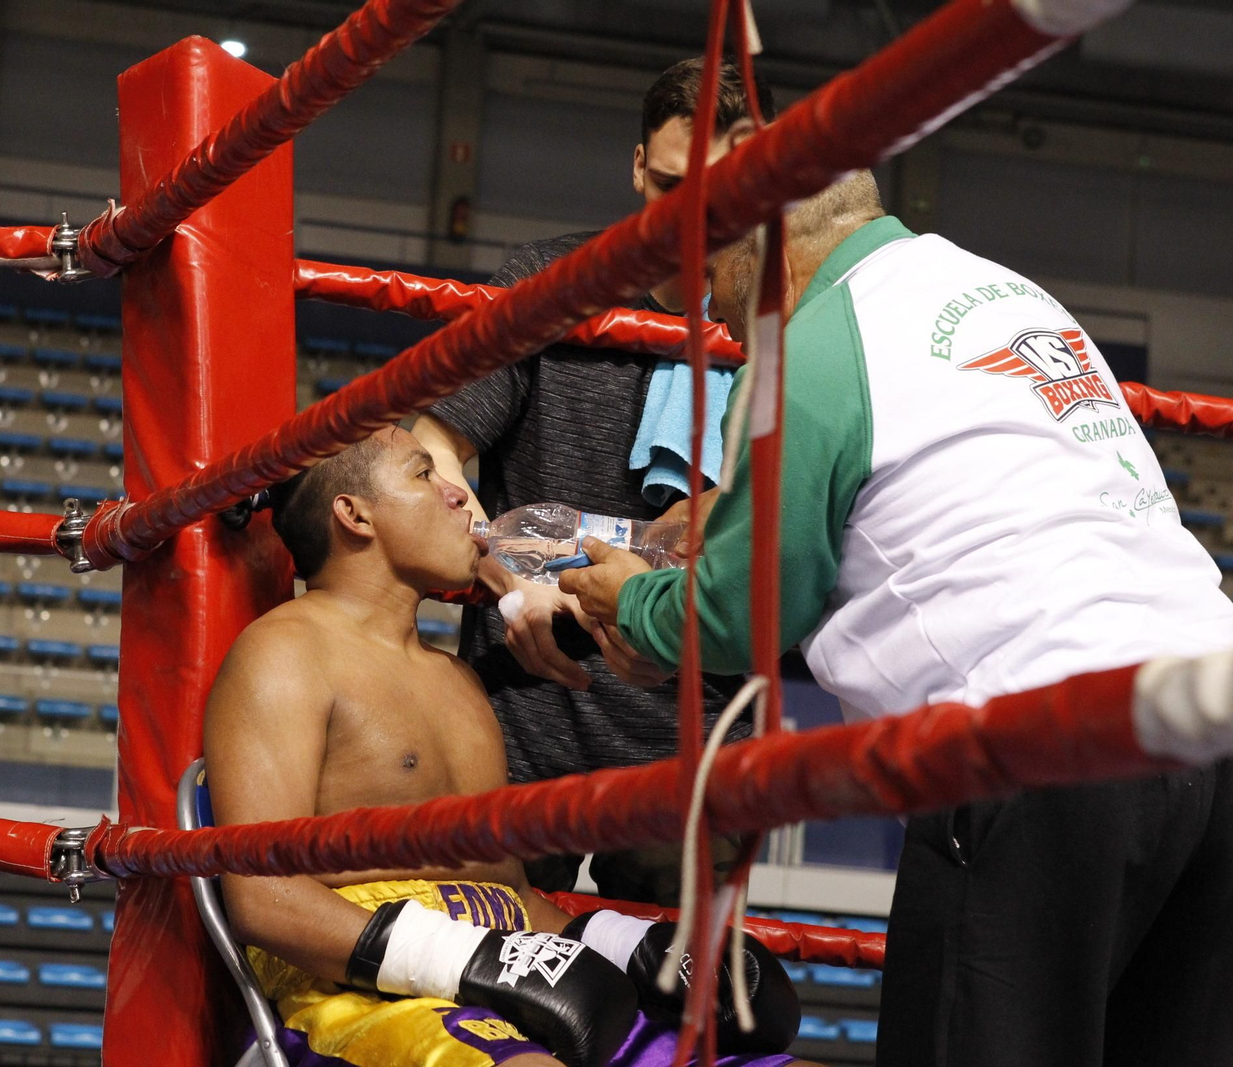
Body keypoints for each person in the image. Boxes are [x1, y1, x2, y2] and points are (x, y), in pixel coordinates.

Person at [558, 162, 1233, 1067]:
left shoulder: (811, 350)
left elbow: (739, 613)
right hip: (1208, 719)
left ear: (760, 244)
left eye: (714, 279)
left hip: (1038, 736)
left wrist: (630, 603)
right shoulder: (1003, 292)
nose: (716, 320)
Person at [203, 428, 809, 1067]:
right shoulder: (284, 653)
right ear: (354, 515)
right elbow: (263, 899)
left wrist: (630, 944)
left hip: (502, 973)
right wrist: (469, 961)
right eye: (423, 476)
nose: (461, 497)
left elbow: (508, 894)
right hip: (358, 993)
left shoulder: (458, 680)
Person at [411, 57, 775, 903]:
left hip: (692, 759)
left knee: (671, 1018)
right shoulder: (549, 282)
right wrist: (502, 575)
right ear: (639, 166)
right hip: (517, 726)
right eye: (673, 184)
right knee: (492, 1006)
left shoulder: (789, 328)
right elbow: (423, 457)